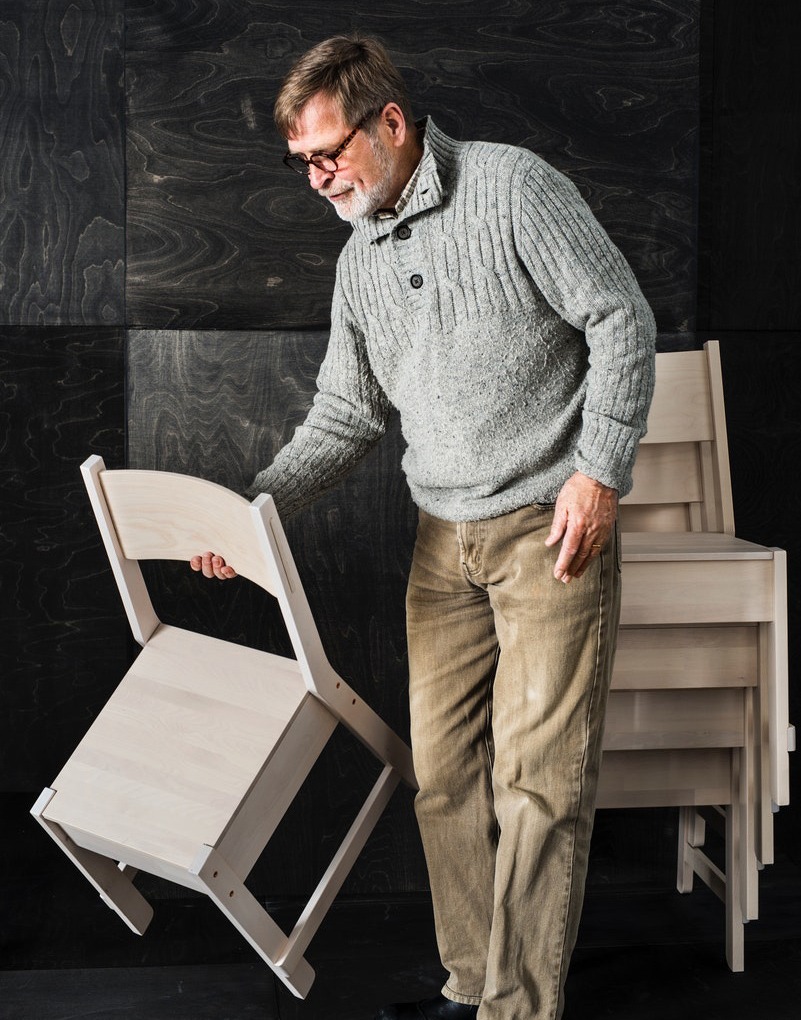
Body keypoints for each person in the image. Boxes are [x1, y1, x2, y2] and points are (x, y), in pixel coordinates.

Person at [191, 34, 656, 1020]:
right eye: (301, 163)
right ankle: (474, 983)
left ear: (390, 123)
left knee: (539, 787)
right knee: (443, 781)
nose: (317, 178)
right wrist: (254, 504)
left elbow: (618, 316)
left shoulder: (514, 189)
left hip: (550, 539)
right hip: (442, 549)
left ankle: (519, 1009)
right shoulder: (359, 263)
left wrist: (599, 472)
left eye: (328, 153)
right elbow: (347, 416)